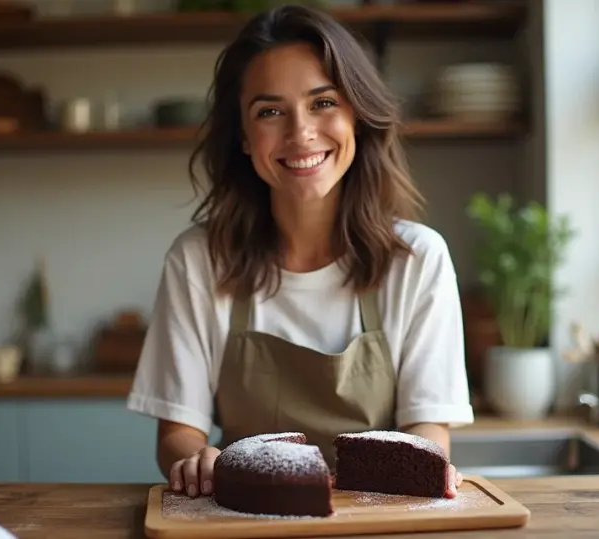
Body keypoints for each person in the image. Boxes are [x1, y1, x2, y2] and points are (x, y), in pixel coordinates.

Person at [127, 3, 474, 501]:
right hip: (243, 515)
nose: (301, 132)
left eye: (323, 102)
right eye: (270, 112)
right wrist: (198, 461)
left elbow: (428, 428)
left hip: (378, 518)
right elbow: (177, 432)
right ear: (244, 137)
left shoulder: (417, 259)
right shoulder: (199, 259)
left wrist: (410, 472)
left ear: (357, 116)